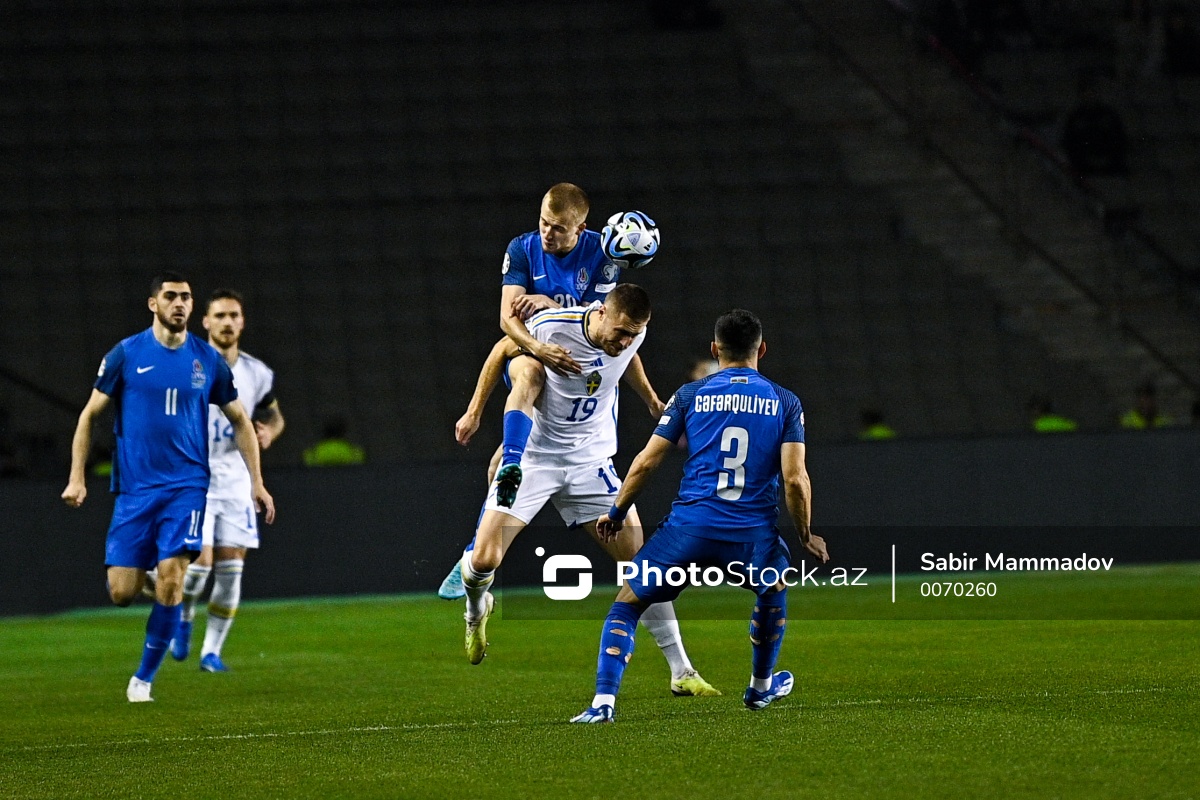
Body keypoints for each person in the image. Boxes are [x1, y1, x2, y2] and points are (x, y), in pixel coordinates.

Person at [458, 285, 718, 697]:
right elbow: (498, 353)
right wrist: (474, 411)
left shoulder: (632, 336)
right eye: (620, 331)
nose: (625, 341)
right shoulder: (551, 326)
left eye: (634, 333)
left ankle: (681, 671)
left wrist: (652, 401)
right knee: (484, 560)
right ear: (600, 314)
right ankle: (477, 608)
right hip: (536, 459)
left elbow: (628, 359)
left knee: (644, 567)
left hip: (590, 464)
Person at [571, 309, 828, 723]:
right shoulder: (785, 401)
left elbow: (646, 463)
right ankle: (761, 688)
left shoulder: (690, 395)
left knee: (627, 605)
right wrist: (806, 535)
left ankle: (603, 703)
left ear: (714, 349)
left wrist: (616, 511)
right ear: (762, 349)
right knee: (773, 587)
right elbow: (795, 478)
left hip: (688, 531)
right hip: (750, 535)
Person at [438, 183, 663, 599]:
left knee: (501, 461)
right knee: (528, 374)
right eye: (543, 222)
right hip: (537, 349)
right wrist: (537, 344)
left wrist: (650, 400)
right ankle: (476, 546)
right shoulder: (523, 249)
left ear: (581, 227)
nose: (547, 233)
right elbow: (509, 321)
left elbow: (602, 327)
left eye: (558, 228)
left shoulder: (603, 253)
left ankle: (481, 539)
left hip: (582, 364)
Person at [60, 273, 275, 703]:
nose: (180, 303)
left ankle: (143, 679)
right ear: (153, 304)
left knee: (175, 580)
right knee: (121, 592)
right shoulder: (126, 354)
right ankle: (164, 592)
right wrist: (76, 476)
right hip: (135, 491)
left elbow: (241, 421)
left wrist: (258, 482)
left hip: (188, 486)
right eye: (171, 296)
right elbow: (88, 417)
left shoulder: (205, 360)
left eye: (186, 297)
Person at [169, 289, 286, 672]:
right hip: (194, 475)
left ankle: (211, 652)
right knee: (198, 564)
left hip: (236, 477)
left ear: (242, 321)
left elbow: (273, 414)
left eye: (234, 315)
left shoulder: (257, 372)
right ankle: (183, 617)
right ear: (205, 322)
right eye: (219, 315)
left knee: (232, 565)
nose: (227, 322)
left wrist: (269, 433)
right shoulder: (187, 364)